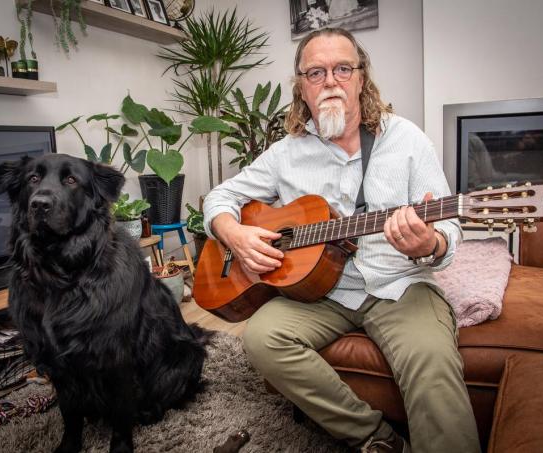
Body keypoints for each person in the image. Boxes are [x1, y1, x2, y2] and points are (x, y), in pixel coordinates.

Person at [202, 28, 480, 453]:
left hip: (398, 285)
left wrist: (429, 245)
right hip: (319, 296)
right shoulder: (285, 153)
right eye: (316, 72)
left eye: (342, 69)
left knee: (432, 361)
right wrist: (233, 232)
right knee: (261, 339)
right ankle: (375, 438)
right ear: (301, 86)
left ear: (361, 78)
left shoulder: (406, 139)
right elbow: (221, 196)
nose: (330, 81)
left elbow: (449, 232)